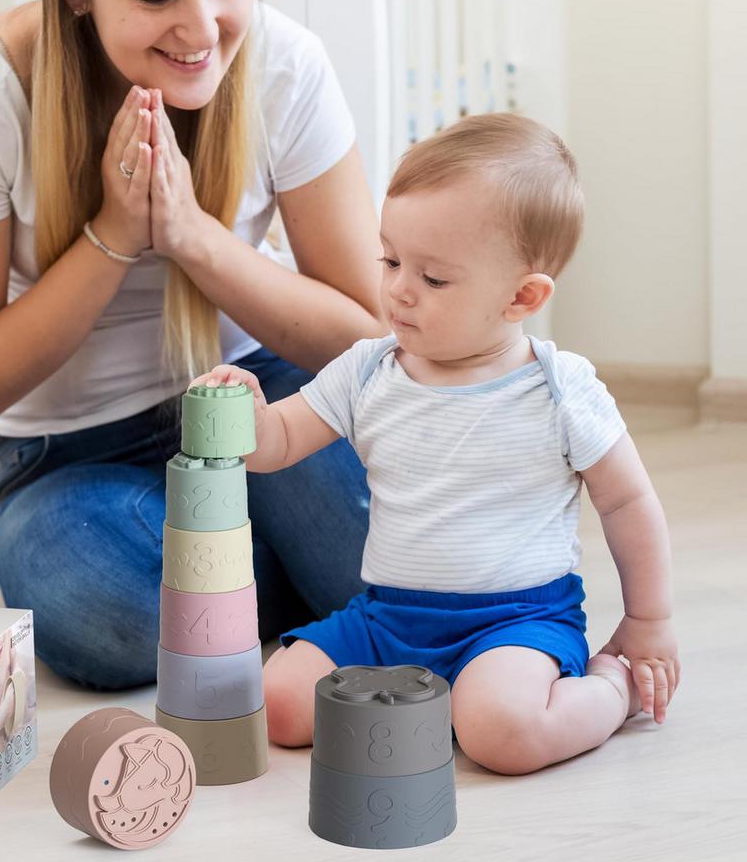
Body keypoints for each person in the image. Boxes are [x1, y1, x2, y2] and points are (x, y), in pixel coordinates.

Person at [0, 0, 385, 689]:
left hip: (258, 399)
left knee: (406, 540)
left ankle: (230, 582)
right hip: (71, 454)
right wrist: (115, 235)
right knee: (104, 607)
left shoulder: (286, 63)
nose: (201, 28)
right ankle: (275, 568)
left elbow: (367, 331)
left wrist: (194, 236)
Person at [191, 113, 680, 775]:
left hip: (516, 622)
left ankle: (609, 691)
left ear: (521, 296)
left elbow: (627, 503)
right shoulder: (368, 369)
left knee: (502, 734)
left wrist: (648, 620)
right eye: (390, 260)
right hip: (389, 619)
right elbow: (280, 441)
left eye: (433, 279)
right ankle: (435, 704)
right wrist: (250, 413)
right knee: (278, 703)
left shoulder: (560, 389)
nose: (398, 289)